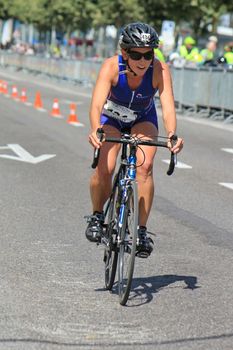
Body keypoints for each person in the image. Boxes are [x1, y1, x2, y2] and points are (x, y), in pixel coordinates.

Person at [85, 22, 184, 257]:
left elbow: (168, 106)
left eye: (149, 54)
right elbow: (96, 103)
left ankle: (141, 231)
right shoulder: (110, 67)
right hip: (111, 119)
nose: (143, 60)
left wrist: (172, 134)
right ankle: (98, 216)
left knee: (146, 167)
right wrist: (95, 128)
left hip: (142, 118)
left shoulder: (159, 70)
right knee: (105, 167)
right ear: (124, 53)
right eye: (136, 54)